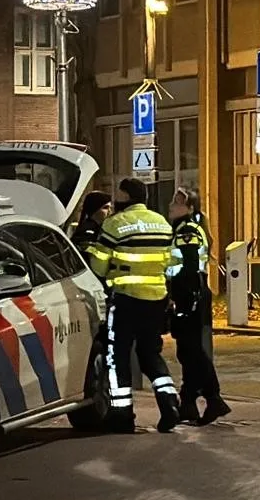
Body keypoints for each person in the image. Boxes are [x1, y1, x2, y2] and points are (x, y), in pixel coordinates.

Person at [86, 178, 182, 433]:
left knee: (117, 356)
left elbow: (98, 266)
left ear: (126, 197)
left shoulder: (115, 224)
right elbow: (171, 263)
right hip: (155, 299)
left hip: (126, 299)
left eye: (118, 195)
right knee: (151, 354)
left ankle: (122, 413)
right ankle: (169, 401)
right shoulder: (161, 223)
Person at [168, 186, 231, 425]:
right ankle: (189, 402)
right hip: (192, 294)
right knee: (188, 351)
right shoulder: (185, 229)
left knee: (192, 350)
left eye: (177, 203)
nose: (171, 207)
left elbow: (190, 266)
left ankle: (213, 398)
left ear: (190, 208)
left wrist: (183, 298)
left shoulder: (187, 231)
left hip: (189, 295)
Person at [71, 190, 113, 256]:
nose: (110, 211)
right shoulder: (86, 233)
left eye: (110, 207)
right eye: (105, 208)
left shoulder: (101, 228)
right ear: (94, 209)